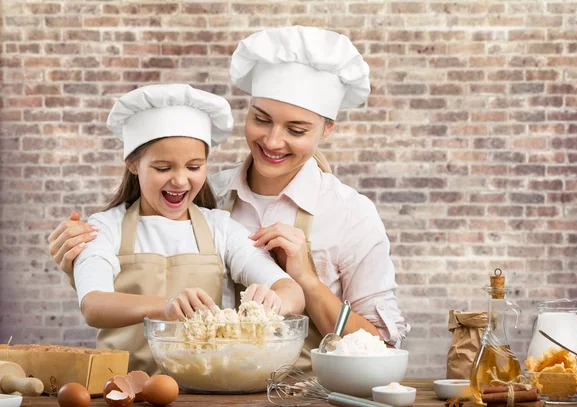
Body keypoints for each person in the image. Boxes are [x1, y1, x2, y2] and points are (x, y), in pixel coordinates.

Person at [48, 26, 410, 370]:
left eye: (296, 129)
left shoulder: (350, 214)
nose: (271, 141)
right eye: (261, 119)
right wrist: (78, 264)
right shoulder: (208, 197)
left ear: (327, 129)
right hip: (212, 386)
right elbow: (111, 289)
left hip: (307, 394)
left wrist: (307, 283)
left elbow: (378, 347)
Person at [69, 83, 305, 373]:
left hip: (201, 391)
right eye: (163, 168)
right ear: (133, 163)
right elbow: (93, 305)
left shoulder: (220, 228)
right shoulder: (105, 227)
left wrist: (274, 299)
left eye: (194, 167)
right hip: (124, 391)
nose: (180, 181)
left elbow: (293, 292)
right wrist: (164, 308)